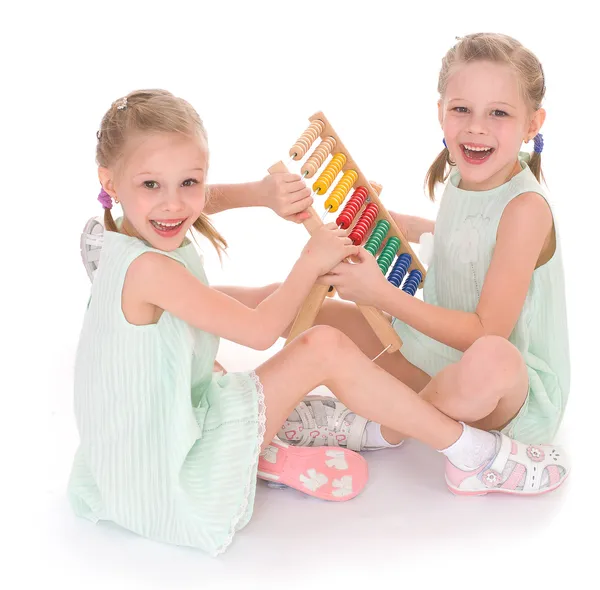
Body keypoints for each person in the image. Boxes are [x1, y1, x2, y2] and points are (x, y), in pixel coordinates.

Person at [69, 88, 569, 558]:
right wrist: (311, 262)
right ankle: (474, 453)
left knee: (239, 337)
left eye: (190, 182)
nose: (174, 202)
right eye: (151, 184)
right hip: (172, 482)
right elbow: (261, 331)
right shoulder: (152, 269)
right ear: (109, 180)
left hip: (130, 458)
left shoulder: (126, 237)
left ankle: (269, 446)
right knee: (321, 344)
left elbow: (184, 202)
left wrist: (261, 194)